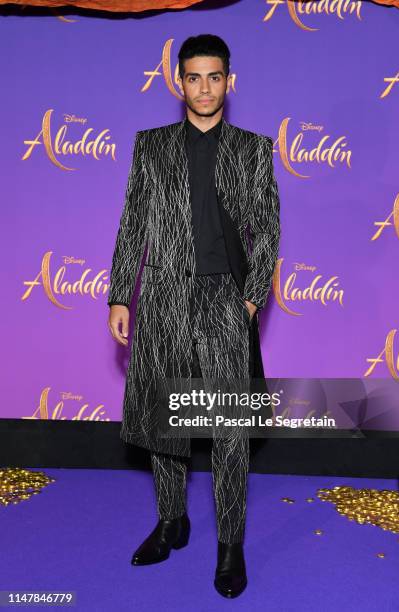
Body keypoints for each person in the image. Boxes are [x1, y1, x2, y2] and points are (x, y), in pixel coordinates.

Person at [107, 33, 281, 599]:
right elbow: (133, 222)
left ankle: (231, 544)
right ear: (178, 82)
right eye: (193, 77)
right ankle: (171, 521)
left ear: (229, 81)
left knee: (229, 430)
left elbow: (268, 230)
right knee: (166, 424)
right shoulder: (151, 146)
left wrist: (251, 299)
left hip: (224, 302)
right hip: (161, 298)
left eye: (214, 77)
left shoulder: (253, 149)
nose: (203, 87)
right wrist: (118, 294)